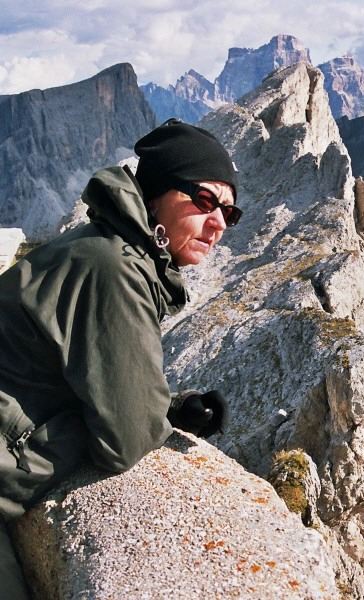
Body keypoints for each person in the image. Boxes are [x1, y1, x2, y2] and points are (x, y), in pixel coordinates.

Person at [0, 118, 240, 599]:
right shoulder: (115, 268)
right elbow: (125, 441)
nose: (217, 224)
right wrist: (128, 413)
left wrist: (166, 407)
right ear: (155, 194)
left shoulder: (109, 247)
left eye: (229, 214)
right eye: (205, 200)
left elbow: (90, 366)